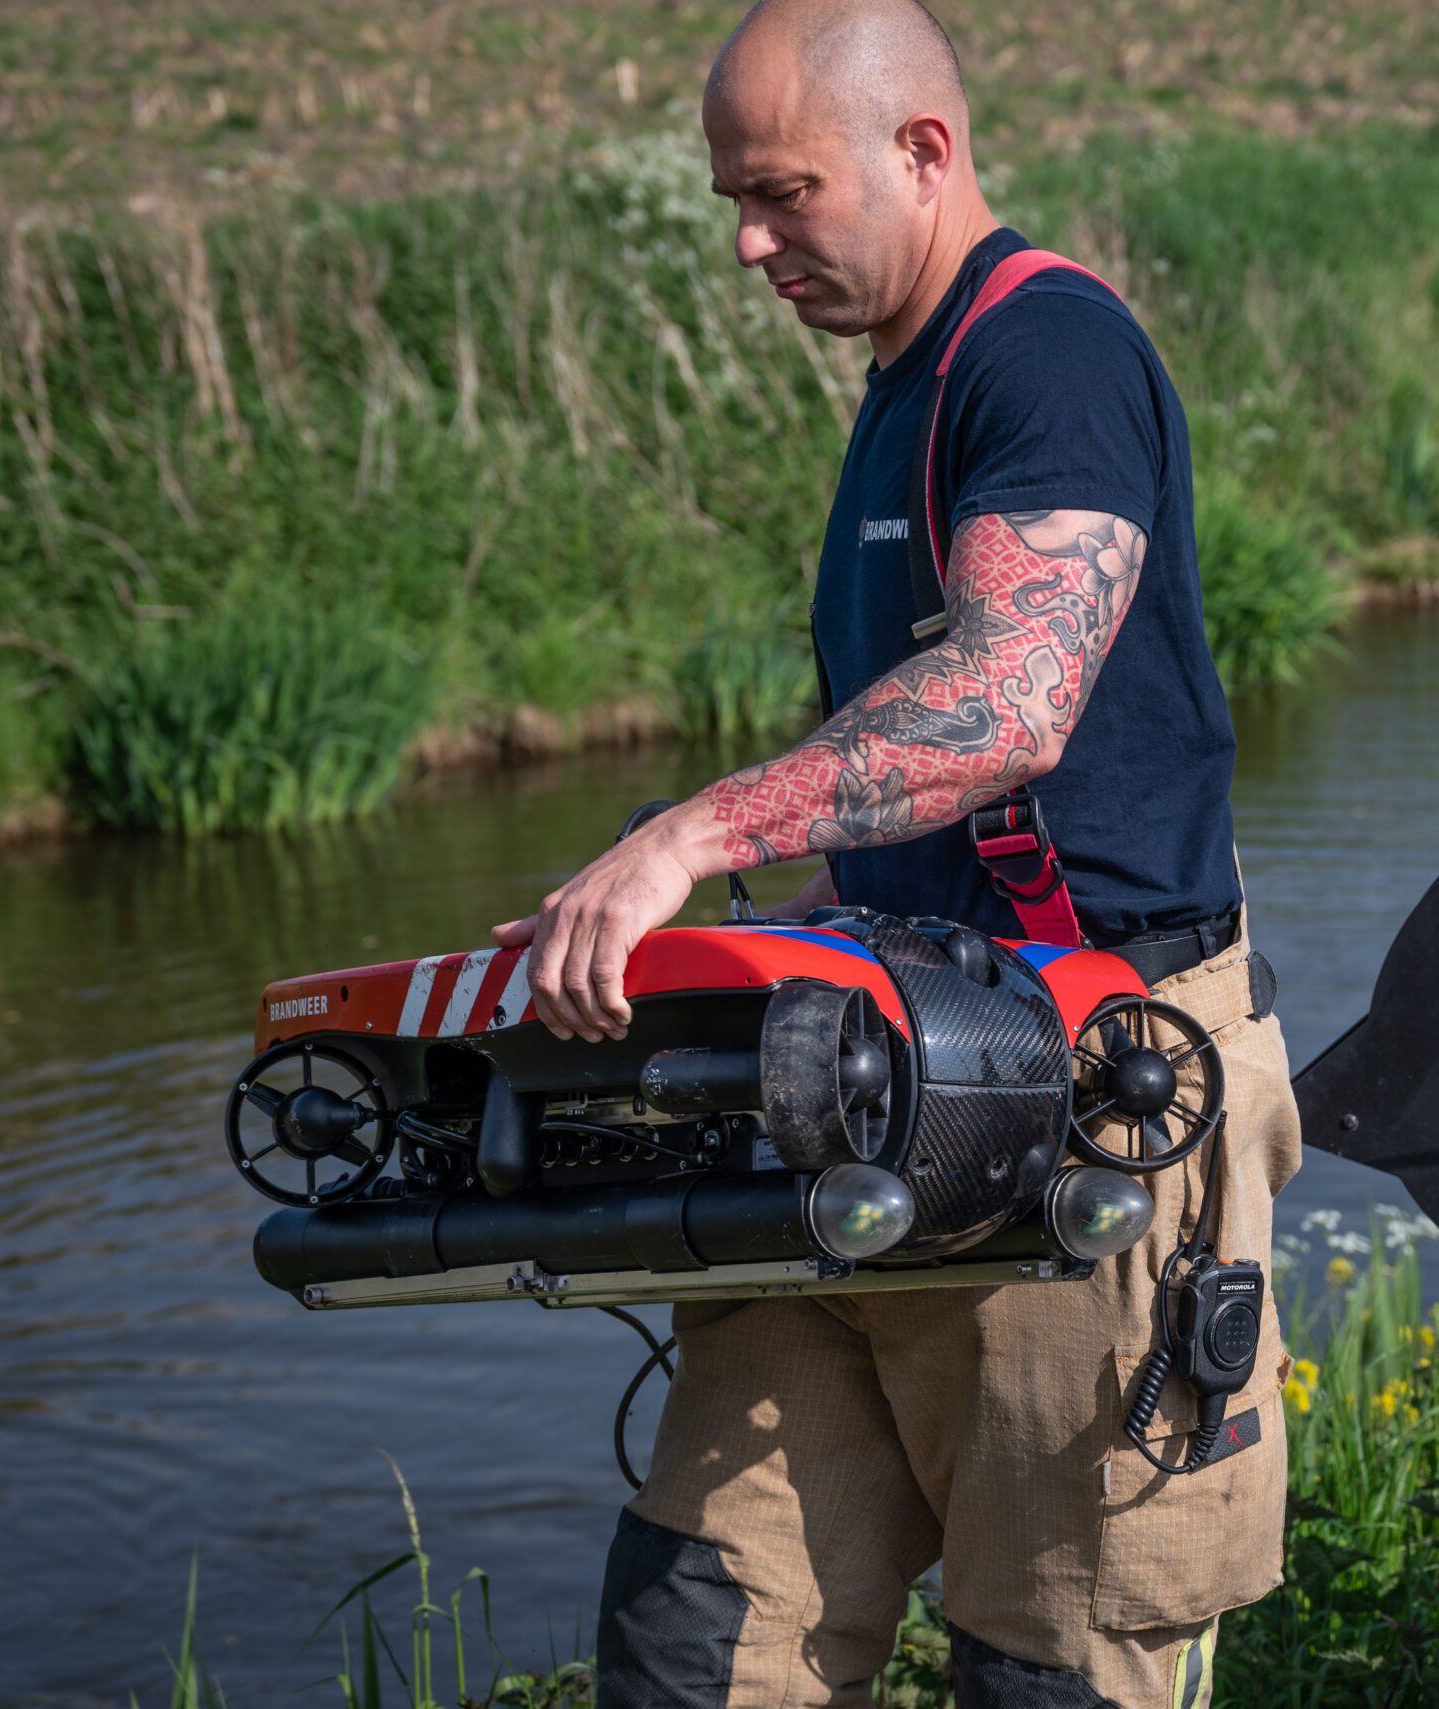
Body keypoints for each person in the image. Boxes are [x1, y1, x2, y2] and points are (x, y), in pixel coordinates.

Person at [488, 2, 1300, 1704]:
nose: (746, 241)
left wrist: (686, 833)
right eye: (735, 196)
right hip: (876, 1094)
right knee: (696, 1634)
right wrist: (718, 931)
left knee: (1049, 1665)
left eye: (782, 193)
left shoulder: (1046, 355)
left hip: (1096, 1094)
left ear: (922, 152)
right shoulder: (905, 382)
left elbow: (1011, 702)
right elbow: (943, 811)